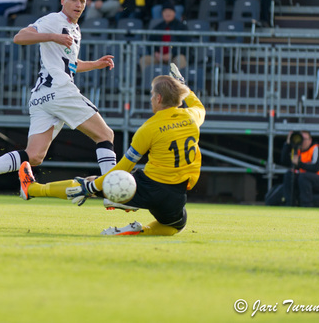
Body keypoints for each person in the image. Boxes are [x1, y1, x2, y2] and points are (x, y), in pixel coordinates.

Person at [0, 0, 117, 203]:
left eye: (82, 1)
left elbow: (69, 64)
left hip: (42, 96)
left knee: (34, 156)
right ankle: (112, 193)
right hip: (59, 90)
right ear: (63, 1)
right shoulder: (54, 20)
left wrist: (95, 64)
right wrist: (52, 36)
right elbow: (20, 37)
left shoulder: (74, 28)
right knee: (106, 135)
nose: (78, 4)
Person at [18, 64, 205, 236]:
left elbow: (124, 166)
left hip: (147, 187)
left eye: (151, 94)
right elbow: (199, 106)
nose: (150, 99)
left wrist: (95, 185)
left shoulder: (149, 128)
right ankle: (140, 230)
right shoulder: (193, 116)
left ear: (158, 98)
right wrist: (183, 86)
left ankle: (34, 189)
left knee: (87, 184)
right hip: (176, 195)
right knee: (175, 225)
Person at [281, 131, 319, 207]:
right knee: (289, 174)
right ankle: (290, 204)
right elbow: (284, 161)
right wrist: (287, 144)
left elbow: (316, 168)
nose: (302, 141)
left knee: (304, 177)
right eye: (300, 139)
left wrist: (299, 163)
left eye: (304, 139)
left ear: (310, 140)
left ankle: (306, 205)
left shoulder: (316, 149)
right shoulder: (297, 151)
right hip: (308, 179)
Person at [141, 3, 188, 71]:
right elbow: (150, 43)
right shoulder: (157, 27)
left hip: (174, 57)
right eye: (165, 11)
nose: (167, 13)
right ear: (162, 14)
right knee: (144, 60)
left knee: (181, 58)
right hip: (158, 57)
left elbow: (184, 45)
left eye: (170, 11)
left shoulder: (181, 27)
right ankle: (148, 81)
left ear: (174, 13)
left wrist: (172, 54)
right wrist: (156, 53)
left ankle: (180, 81)